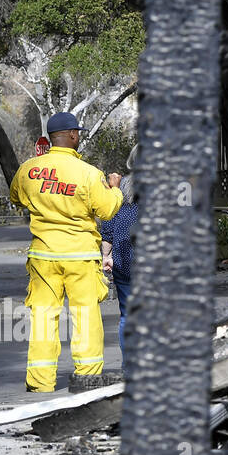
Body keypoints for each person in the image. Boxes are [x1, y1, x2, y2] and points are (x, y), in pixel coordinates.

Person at [8, 112, 122, 393]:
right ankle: (86, 378)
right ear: (72, 135)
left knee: (44, 315)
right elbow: (107, 210)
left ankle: (40, 382)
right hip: (80, 256)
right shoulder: (88, 173)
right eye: (78, 133)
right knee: (85, 315)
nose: (79, 137)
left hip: (43, 256)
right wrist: (115, 189)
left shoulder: (29, 169)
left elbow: (16, 197)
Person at [98, 144, 139, 355]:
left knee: (127, 316)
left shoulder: (120, 188)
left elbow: (108, 225)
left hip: (124, 261)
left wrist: (106, 255)